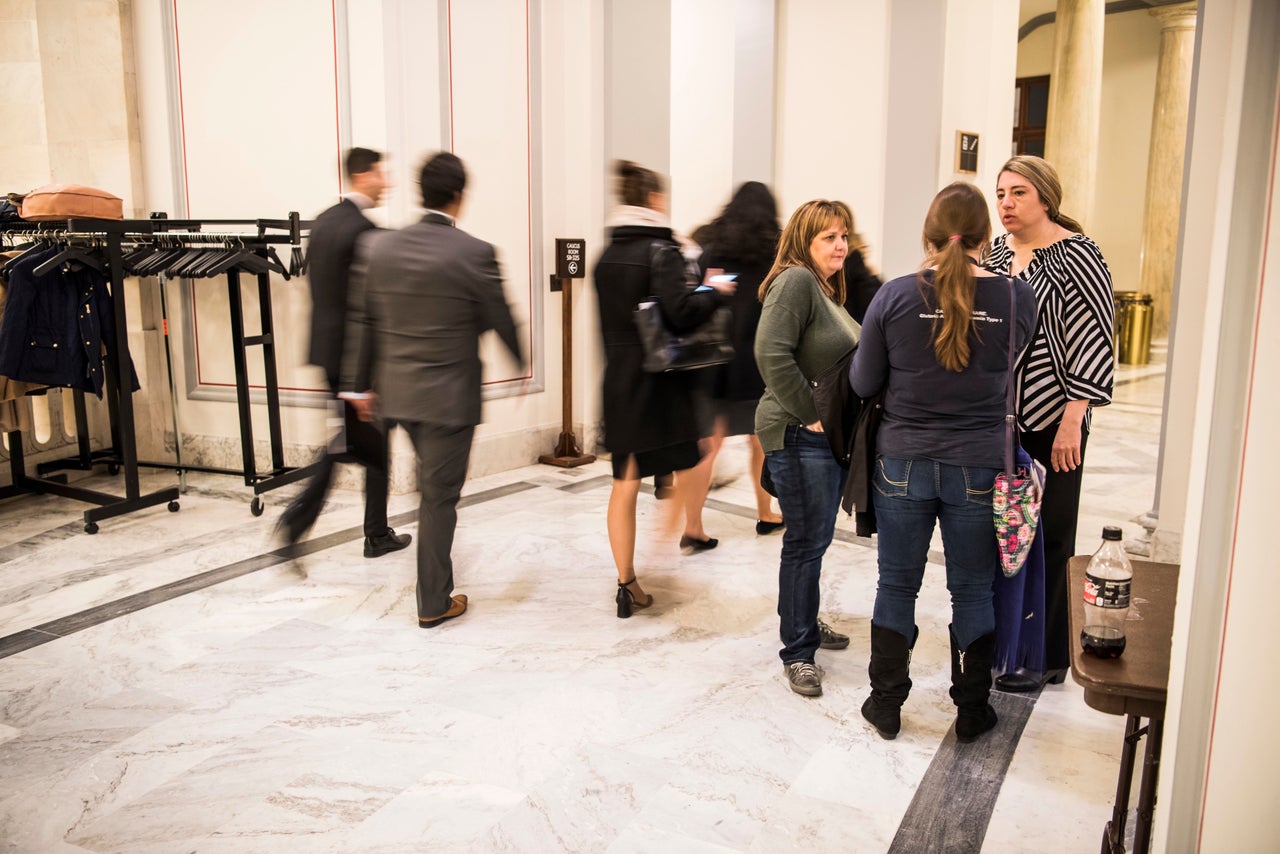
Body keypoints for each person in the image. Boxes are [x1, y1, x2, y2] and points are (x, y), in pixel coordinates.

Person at [850, 182, 1037, 741]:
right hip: (981, 465)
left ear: (927, 235)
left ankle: (885, 704)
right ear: (986, 237)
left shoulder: (893, 296)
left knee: (897, 584)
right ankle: (972, 710)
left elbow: (862, 382)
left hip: (901, 462)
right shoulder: (1015, 298)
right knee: (973, 590)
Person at [340, 151, 524, 628]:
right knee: (438, 499)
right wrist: (521, 361)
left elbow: (364, 320)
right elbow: (499, 316)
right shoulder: (475, 253)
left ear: (422, 191)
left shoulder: (379, 248)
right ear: (460, 197)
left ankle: (430, 589)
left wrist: (358, 387)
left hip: (394, 393)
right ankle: (433, 602)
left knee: (424, 492)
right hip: (448, 398)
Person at [985, 155, 1115, 692]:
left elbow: (1093, 338)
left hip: (1055, 417)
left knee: (1051, 535)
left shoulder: (1079, 255)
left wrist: (1073, 419)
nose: (1006, 204)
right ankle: (999, 644)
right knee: (1001, 531)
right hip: (997, 419)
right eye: (1000, 194)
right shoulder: (994, 254)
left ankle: (1045, 656)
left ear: (1045, 198)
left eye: (1017, 193)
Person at [593, 160, 735, 619]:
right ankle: (668, 545)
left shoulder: (605, 257)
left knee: (624, 482)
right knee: (687, 460)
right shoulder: (663, 250)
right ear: (654, 200)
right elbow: (679, 313)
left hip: (618, 380)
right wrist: (712, 290)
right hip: (659, 387)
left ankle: (626, 581)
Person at [279, 147, 411, 559]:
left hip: (325, 350)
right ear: (363, 175)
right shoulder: (363, 231)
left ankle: (371, 530)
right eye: (380, 173)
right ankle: (317, 524)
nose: (385, 181)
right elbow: (368, 304)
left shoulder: (323, 222)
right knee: (361, 442)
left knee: (359, 441)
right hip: (357, 360)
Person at [756, 199, 861, 697]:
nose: (841, 245)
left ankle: (804, 621)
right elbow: (769, 352)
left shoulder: (826, 290)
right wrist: (811, 414)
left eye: (844, 235)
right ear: (804, 242)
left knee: (813, 540)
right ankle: (797, 651)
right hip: (796, 433)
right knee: (804, 543)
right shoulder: (796, 281)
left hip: (816, 436)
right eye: (828, 237)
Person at [687, 181, 785, 536]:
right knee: (761, 441)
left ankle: (693, 525)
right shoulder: (774, 255)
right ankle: (765, 511)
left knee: (708, 446)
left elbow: (703, 296)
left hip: (715, 363)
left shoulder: (716, 250)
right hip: (758, 362)